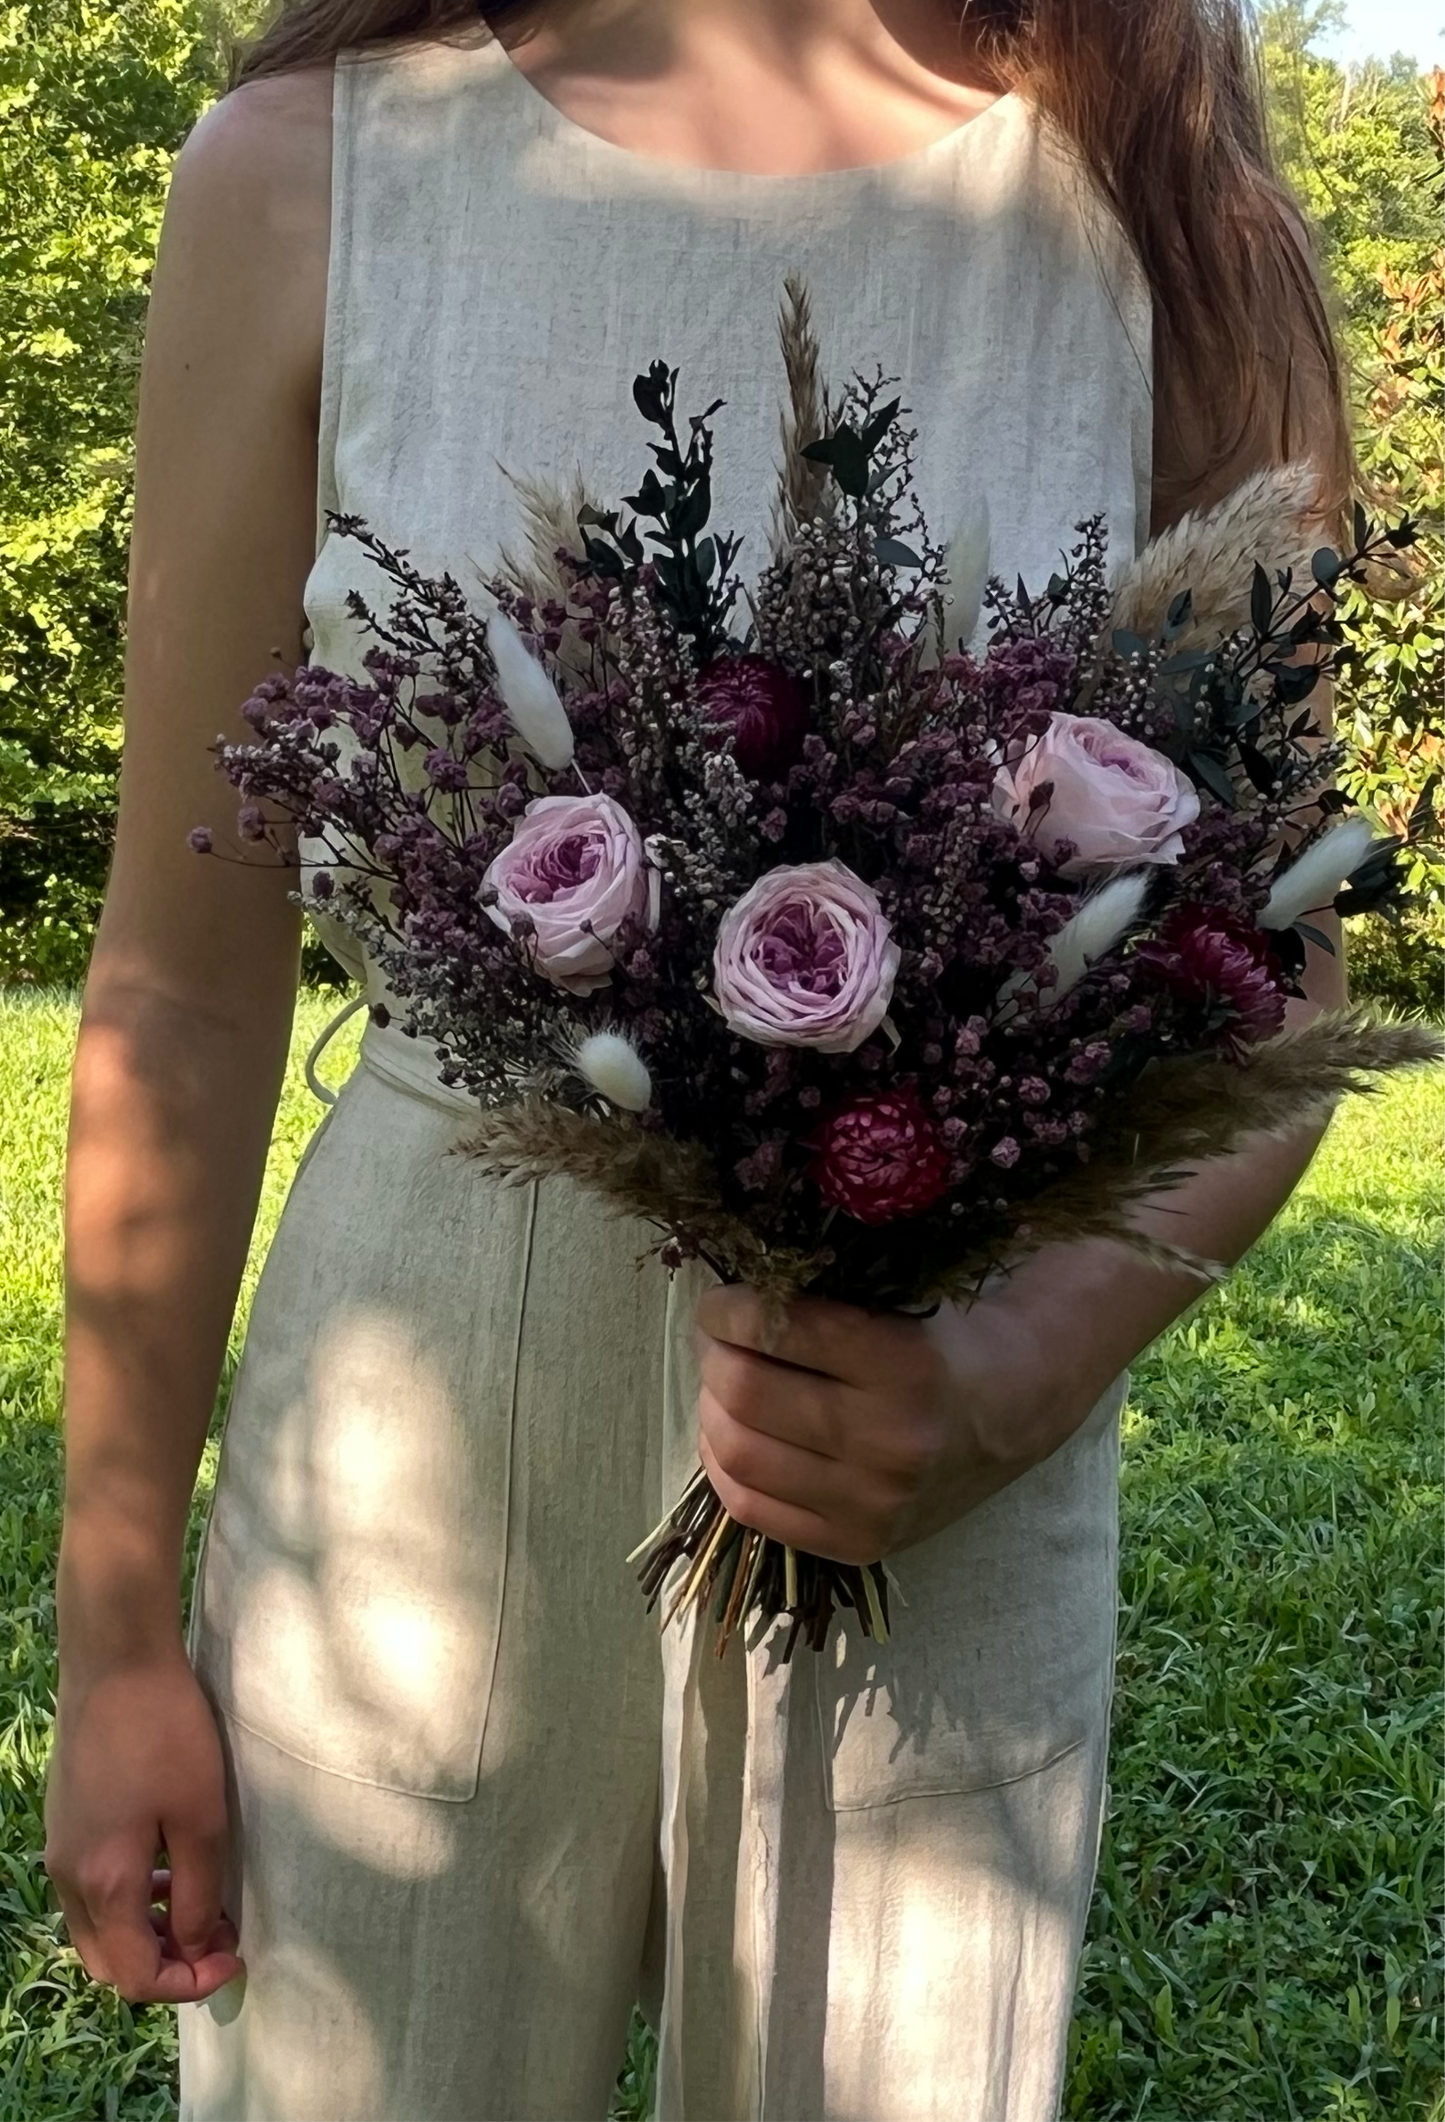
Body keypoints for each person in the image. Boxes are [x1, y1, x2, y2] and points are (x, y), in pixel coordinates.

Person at [44, 1, 1353, 2115]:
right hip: (409, 1418)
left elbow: (1264, 950)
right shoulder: (310, 179)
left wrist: (1015, 1372)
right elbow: (182, 985)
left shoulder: (1152, 197)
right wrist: (112, 1632)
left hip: (930, 1434)